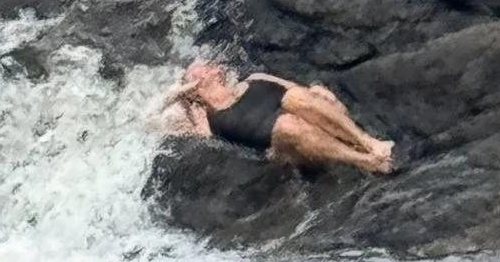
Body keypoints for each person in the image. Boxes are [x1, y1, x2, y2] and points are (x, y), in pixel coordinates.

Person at [156, 58, 395, 176]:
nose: (205, 63)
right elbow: (149, 118)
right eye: (196, 68)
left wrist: (320, 92)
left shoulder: (255, 79)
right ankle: (363, 160)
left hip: (313, 120)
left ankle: (367, 142)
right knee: (286, 124)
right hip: (283, 149)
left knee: (294, 98)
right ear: (191, 86)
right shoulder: (204, 117)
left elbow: (299, 91)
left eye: (207, 62)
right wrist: (178, 94)